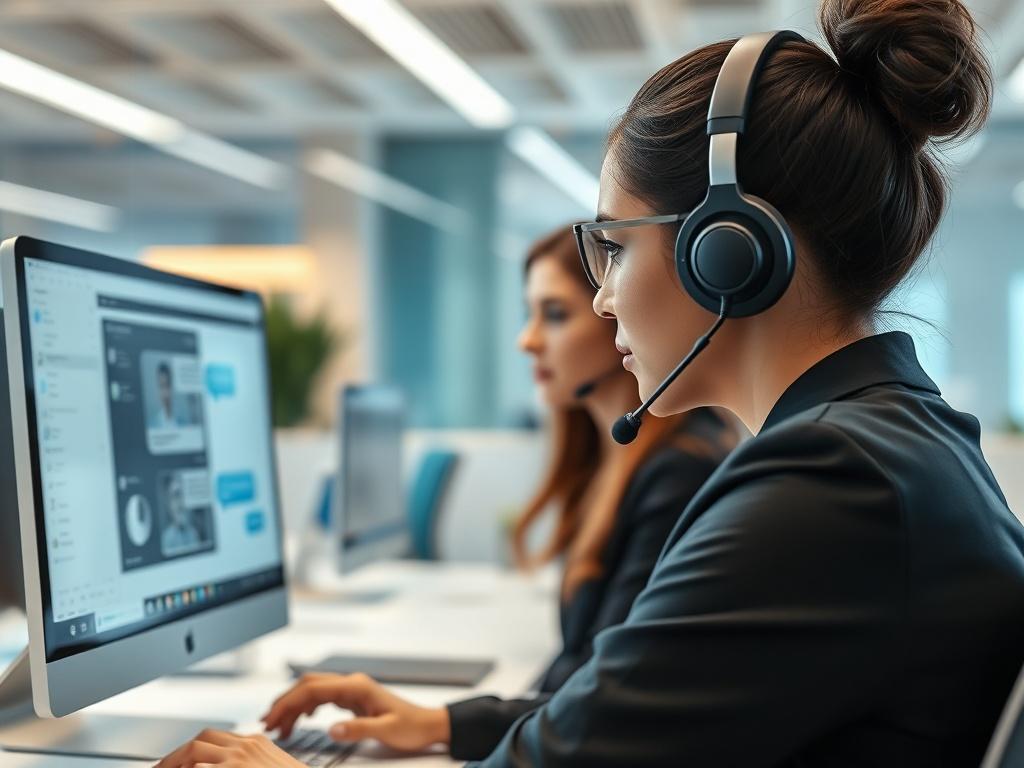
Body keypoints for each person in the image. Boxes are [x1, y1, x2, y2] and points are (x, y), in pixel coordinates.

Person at [156, 0, 1024, 764]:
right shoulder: (890, 444)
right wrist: (446, 724)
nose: (602, 294)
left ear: (727, 250)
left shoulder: (830, 485)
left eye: (613, 244)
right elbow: (632, 713)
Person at [155, 228, 739, 767]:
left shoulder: (678, 474)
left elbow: (608, 720)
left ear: (615, 315)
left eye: (555, 315)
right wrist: (439, 723)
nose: (527, 340)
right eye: (529, 315)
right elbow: (589, 699)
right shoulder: (615, 463)